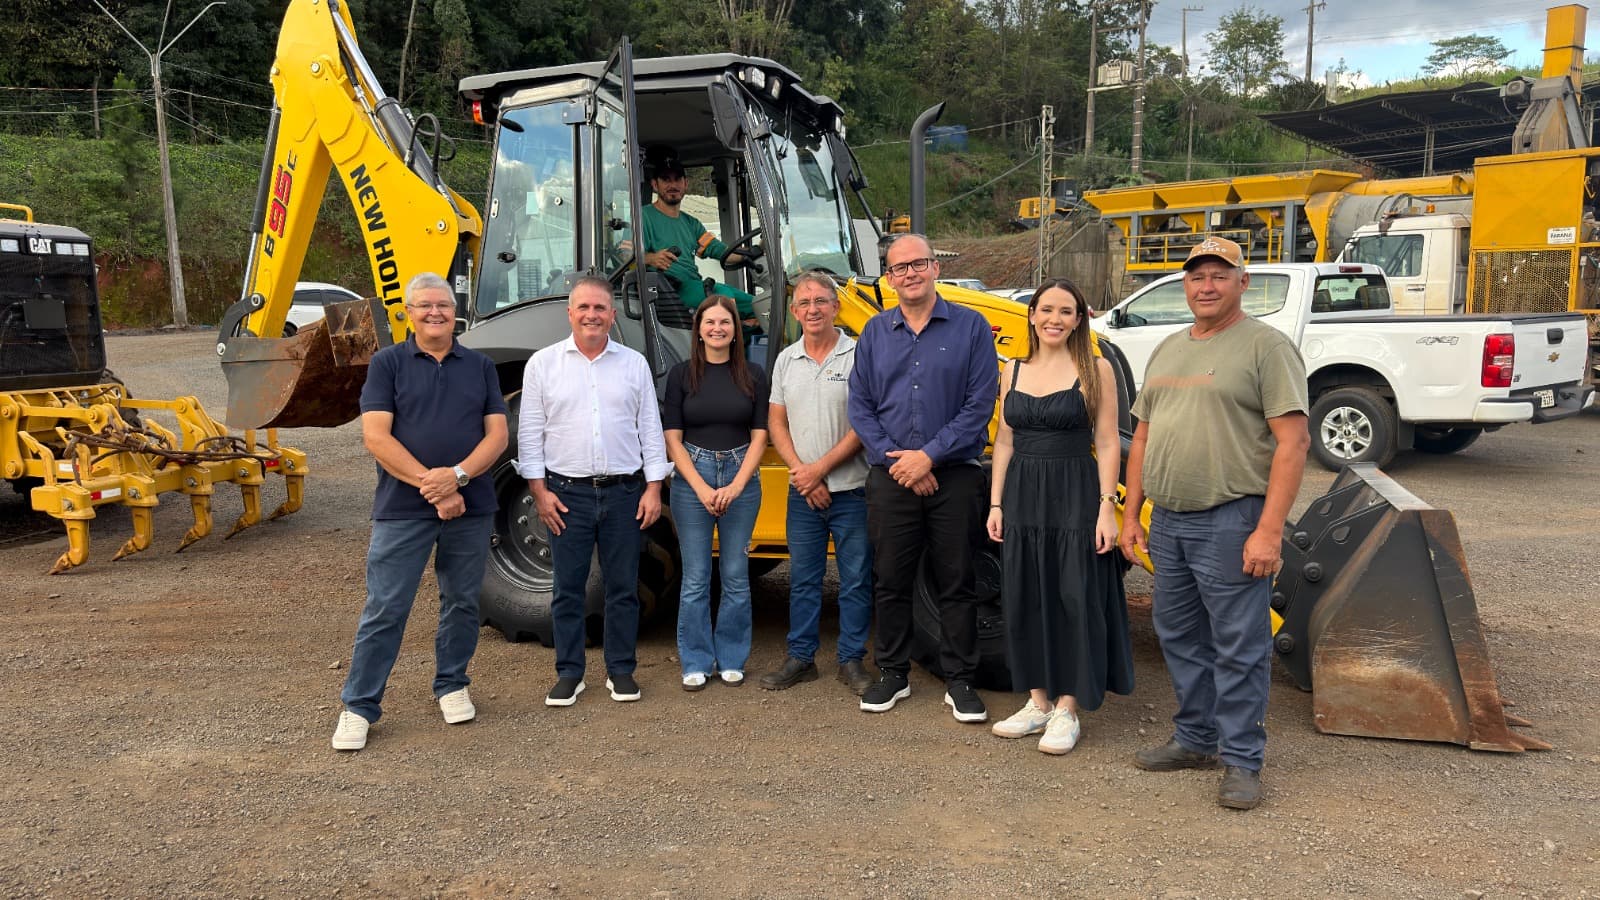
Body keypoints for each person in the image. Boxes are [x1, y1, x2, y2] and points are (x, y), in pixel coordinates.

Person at [1118, 236, 1310, 810]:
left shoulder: (1266, 348)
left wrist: (1269, 531)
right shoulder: (1168, 347)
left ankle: (1243, 760)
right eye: (1197, 275)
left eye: (1219, 275)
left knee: (1239, 644)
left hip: (1232, 519)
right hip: (1169, 521)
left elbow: (1294, 442)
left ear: (1242, 282)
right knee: (1179, 636)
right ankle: (1196, 739)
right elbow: (1142, 437)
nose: (1206, 285)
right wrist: (1131, 513)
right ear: (1185, 284)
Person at [331, 272, 509, 751]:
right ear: (408, 313)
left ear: (456, 312)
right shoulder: (387, 363)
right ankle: (359, 706)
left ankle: (452, 684)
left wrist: (459, 478)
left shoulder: (480, 366)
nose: (435, 313)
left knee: (463, 601)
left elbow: (497, 435)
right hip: (403, 508)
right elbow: (376, 437)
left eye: (444, 305)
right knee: (387, 606)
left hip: (470, 505)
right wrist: (436, 487)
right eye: (425, 305)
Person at [847, 233, 997, 723]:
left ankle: (960, 679)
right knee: (890, 579)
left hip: (954, 476)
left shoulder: (972, 327)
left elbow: (980, 403)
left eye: (918, 264)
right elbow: (861, 407)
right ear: (889, 279)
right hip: (892, 475)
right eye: (899, 268)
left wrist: (929, 457)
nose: (909, 273)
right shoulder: (874, 333)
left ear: (936, 268)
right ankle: (893, 672)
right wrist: (904, 464)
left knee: (957, 579)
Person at [985, 279, 1133, 754]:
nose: (1055, 318)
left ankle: (1068, 708)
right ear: (1031, 314)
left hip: (1075, 492)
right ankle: (1038, 702)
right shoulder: (1012, 369)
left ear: (1078, 319)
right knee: (1025, 596)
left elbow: (1107, 442)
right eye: (1046, 309)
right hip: (1022, 495)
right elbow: (1004, 441)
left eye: (1065, 311)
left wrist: (1107, 508)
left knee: (1075, 596)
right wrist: (996, 504)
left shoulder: (1096, 369)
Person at [517, 276, 672, 707]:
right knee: (567, 588)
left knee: (623, 588)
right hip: (566, 495)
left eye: (600, 308)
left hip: (624, 493)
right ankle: (570, 673)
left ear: (612, 315)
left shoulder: (633, 364)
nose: (592, 315)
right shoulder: (543, 365)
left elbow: (650, 430)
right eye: (583, 307)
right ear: (570, 313)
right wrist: (539, 493)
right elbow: (529, 434)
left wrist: (653, 488)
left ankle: (620, 671)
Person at [760, 272, 874, 696]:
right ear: (794, 311)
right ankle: (801, 658)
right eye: (804, 303)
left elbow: (864, 423)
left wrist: (819, 469)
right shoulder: (786, 360)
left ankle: (851, 660)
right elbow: (776, 421)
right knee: (804, 579)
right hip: (803, 493)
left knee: (856, 580)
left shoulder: (859, 355)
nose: (813, 309)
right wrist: (803, 475)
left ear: (836, 307)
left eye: (821, 301)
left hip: (853, 489)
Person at [662, 294, 770, 690]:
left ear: (735, 330)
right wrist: (702, 487)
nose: (717, 328)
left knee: (736, 575)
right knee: (695, 577)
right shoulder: (681, 375)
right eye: (710, 322)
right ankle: (695, 660)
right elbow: (672, 439)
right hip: (694, 477)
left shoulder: (753, 375)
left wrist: (736, 485)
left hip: (742, 477)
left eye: (725, 322)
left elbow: (760, 435)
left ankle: (731, 657)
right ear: (699, 330)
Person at [639, 153, 761, 330]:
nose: (673, 185)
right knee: (723, 296)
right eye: (666, 179)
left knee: (758, 305)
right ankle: (731, 337)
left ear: (685, 184)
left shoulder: (691, 223)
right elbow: (625, 256)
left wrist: (753, 252)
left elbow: (718, 250)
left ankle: (743, 336)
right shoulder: (643, 217)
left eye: (677, 179)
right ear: (655, 185)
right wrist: (650, 258)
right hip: (668, 290)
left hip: (693, 285)